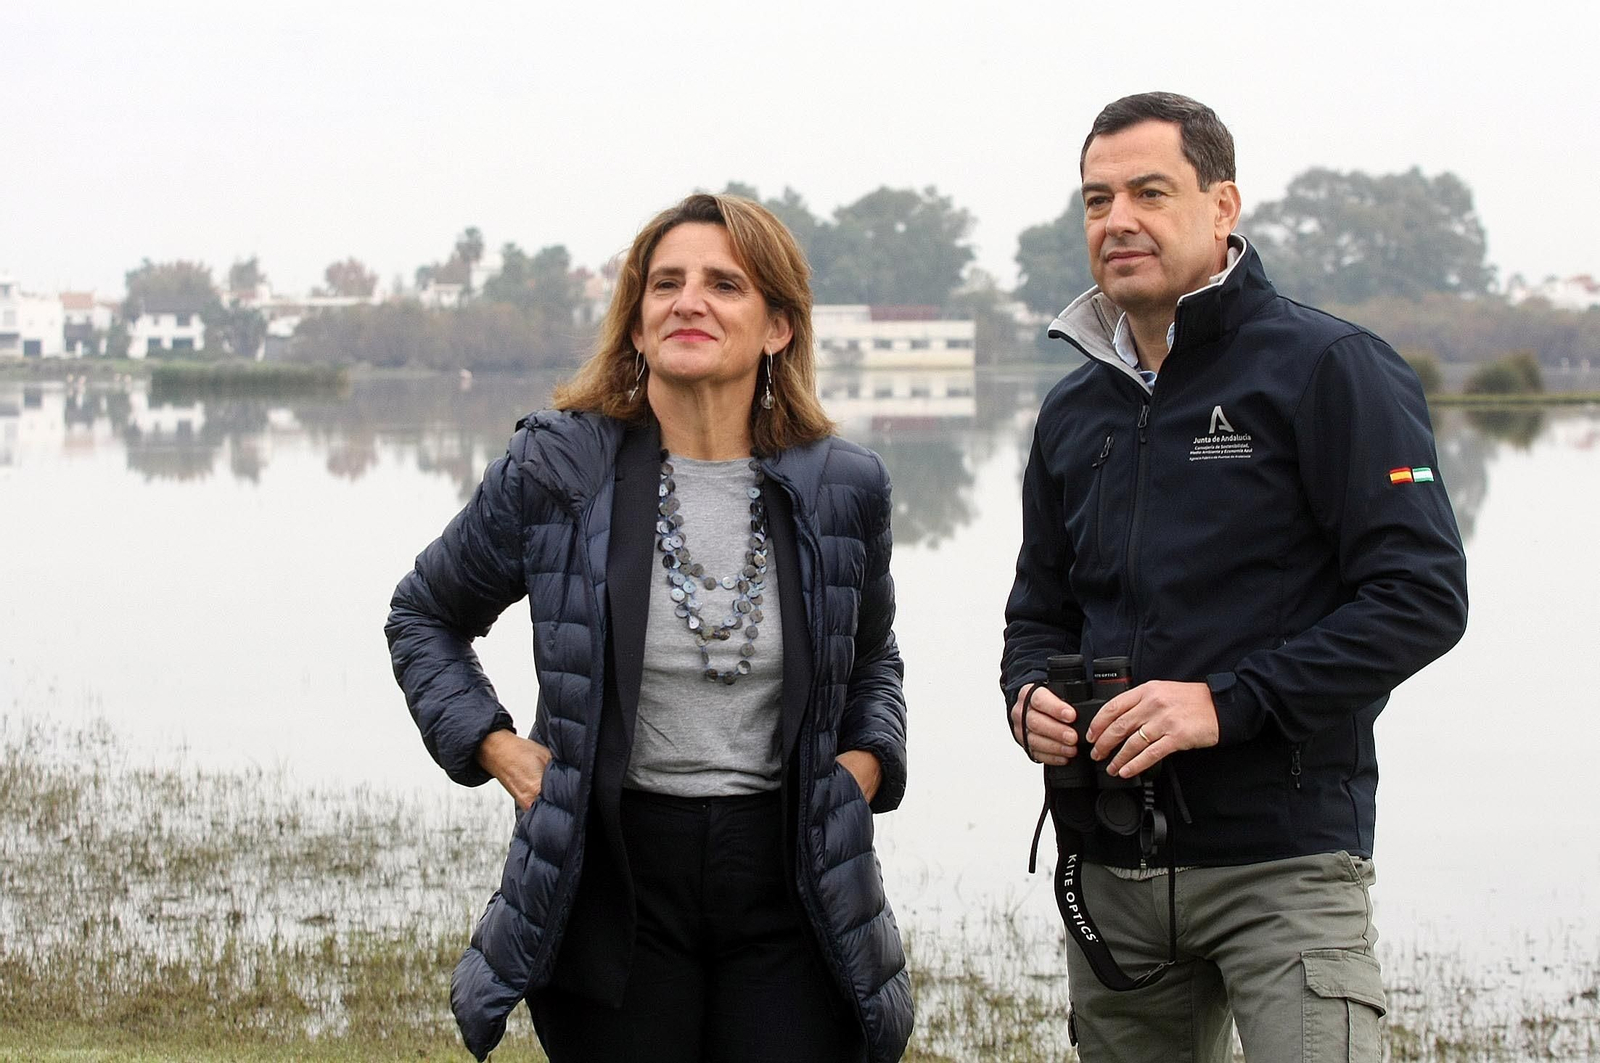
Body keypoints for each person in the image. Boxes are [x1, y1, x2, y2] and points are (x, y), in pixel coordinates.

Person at [386, 193, 911, 1063]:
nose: (688, 301)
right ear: (635, 323)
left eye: (723, 284)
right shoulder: (557, 468)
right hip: (613, 879)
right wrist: (497, 747)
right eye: (664, 283)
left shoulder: (844, 483)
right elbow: (426, 614)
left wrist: (864, 764)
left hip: (791, 873)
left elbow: (874, 653)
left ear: (778, 325)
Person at [1001, 92, 1468, 1061]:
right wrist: (1030, 694)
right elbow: (1038, 615)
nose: (1116, 219)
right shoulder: (1070, 410)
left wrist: (1229, 701)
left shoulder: (1329, 366)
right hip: (1111, 869)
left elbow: (1419, 597)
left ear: (1223, 208)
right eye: (1095, 200)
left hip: (1284, 864)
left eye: (1148, 191)